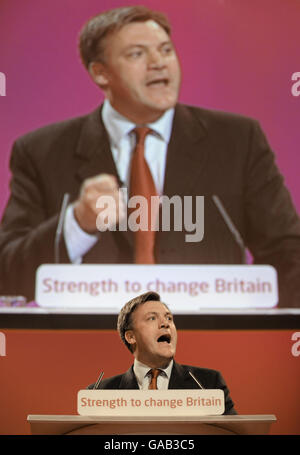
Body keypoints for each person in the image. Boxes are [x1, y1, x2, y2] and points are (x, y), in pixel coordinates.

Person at [0, 6, 300, 306]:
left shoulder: (237, 141)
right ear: (100, 73)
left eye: (166, 50)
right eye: (137, 54)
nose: (158, 63)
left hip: (212, 344)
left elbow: (288, 255)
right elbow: (8, 273)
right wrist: (77, 225)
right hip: (89, 343)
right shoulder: (42, 153)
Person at [88, 291, 237, 415]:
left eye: (169, 318)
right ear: (131, 337)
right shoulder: (100, 394)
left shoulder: (208, 384)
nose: (165, 323)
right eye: (152, 318)